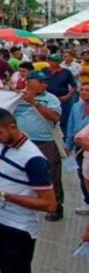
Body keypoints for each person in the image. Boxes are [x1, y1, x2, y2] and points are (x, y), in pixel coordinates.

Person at [0, 107, 57, 273]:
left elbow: (49, 204)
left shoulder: (34, 159)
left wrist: (2, 196)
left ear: (12, 127)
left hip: (18, 227)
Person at [13, 71, 64, 221]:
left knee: (51, 174)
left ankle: (56, 206)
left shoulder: (51, 98)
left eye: (45, 82)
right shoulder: (18, 97)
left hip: (45, 142)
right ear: (28, 82)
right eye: (41, 82)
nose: (45, 85)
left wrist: (34, 103)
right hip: (22, 143)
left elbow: (54, 117)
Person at [67, 82, 89, 215]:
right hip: (78, 148)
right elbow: (70, 126)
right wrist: (68, 145)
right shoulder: (76, 107)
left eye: (87, 90)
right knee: (81, 174)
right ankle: (87, 201)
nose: (84, 92)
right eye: (82, 90)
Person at [43, 53, 77, 134]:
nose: (51, 62)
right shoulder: (44, 71)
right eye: (50, 60)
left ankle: (65, 140)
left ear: (58, 62)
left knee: (63, 120)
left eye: (53, 61)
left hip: (62, 99)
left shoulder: (66, 72)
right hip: (47, 99)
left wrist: (68, 96)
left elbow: (74, 86)